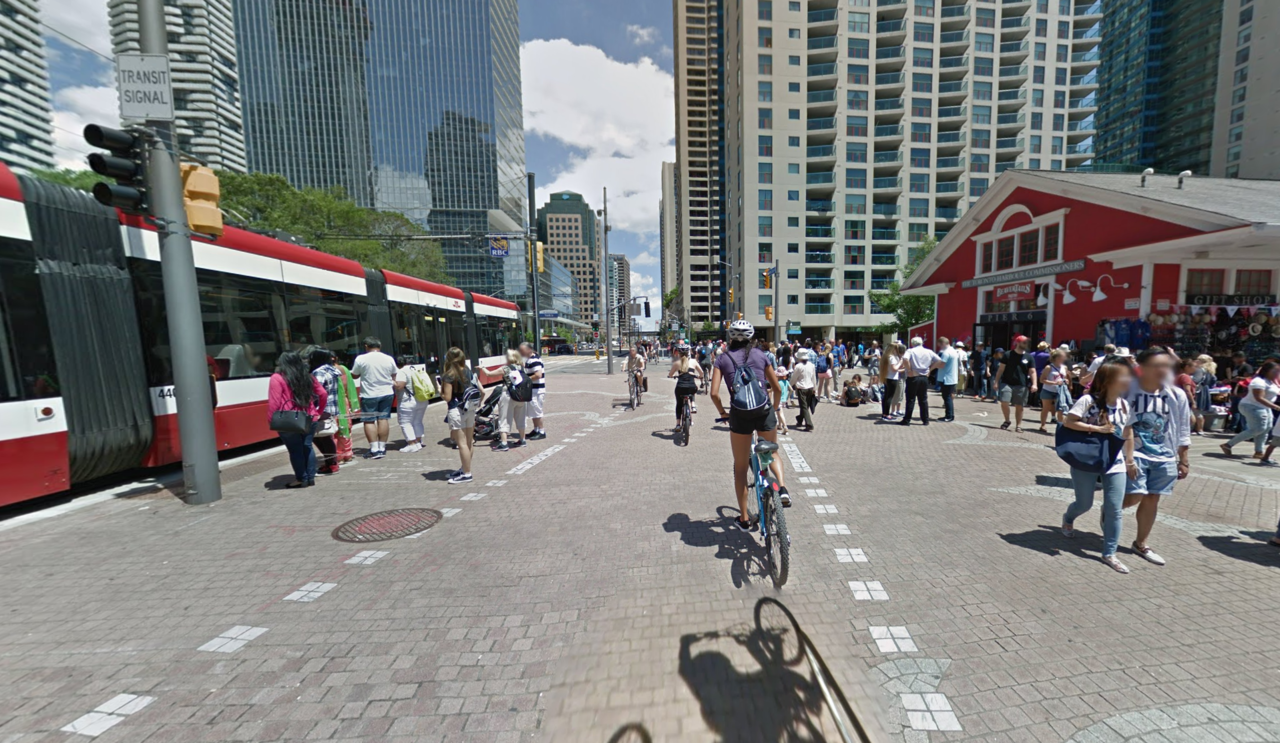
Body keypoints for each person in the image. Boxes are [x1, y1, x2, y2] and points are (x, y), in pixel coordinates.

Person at [709, 320, 790, 531]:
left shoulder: (722, 358)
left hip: (740, 415)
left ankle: (744, 519)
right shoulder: (760, 355)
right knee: (772, 453)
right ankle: (782, 488)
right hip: (764, 411)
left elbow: (714, 393)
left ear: (730, 337)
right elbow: (777, 388)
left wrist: (723, 413)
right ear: (751, 337)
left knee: (740, 467)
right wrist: (774, 408)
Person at [1060, 360, 1136, 574]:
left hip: (1115, 463)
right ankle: (1068, 518)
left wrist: (1130, 459)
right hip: (1087, 460)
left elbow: (1128, 432)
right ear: (1108, 380)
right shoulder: (1087, 400)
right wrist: (1096, 429)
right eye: (1123, 376)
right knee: (1084, 504)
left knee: (1114, 509)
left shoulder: (1124, 404)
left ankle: (1109, 553)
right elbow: (1068, 422)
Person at [1123, 347, 1192, 566]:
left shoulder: (1176, 394)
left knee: (1153, 497)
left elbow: (1183, 427)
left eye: (1166, 366)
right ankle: (1111, 509)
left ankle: (1141, 543)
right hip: (1134, 453)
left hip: (1165, 455)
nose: (1163, 370)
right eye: (1157, 366)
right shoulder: (1127, 390)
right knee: (1134, 495)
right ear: (1142, 367)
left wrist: (1183, 459)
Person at [267, 351, 327, 489]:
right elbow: (323, 394)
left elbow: (274, 402)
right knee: (307, 446)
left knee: (295, 450)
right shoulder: (308, 377)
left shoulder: (277, 378)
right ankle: (310, 478)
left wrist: (272, 420)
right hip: (309, 417)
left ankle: (301, 479)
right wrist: (318, 412)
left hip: (289, 420)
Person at [350, 337, 399, 459]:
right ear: (379, 346)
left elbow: (355, 375)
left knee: (369, 420)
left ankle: (374, 449)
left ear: (366, 346)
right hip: (387, 392)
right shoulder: (388, 358)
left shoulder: (361, 359)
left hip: (369, 394)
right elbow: (394, 373)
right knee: (383, 419)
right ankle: (382, 448)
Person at [1220, 361, 1280, 459]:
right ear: (1268, 370)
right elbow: (1259, 398)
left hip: (1264, 407)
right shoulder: (1258, 381)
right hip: (1252, 406)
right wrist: (1276, 407)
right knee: (1258, 429)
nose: (1278, 373)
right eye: (1275, 371)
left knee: (1266, 428)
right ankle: (1228, 445)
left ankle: (1259, 452)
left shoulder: (1272, 381)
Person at [440, 347, 477, 484]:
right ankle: (464, 468)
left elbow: (448, 397)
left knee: (461, 444)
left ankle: (467, 474)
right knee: (469, 442)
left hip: (456, 410)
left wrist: (440, 392)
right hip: (470, 408)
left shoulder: (448, 375)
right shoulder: (468, 371)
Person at [307, 348, 342, 475]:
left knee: (320, 436)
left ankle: (331, 464)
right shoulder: (332, 370)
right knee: (325, 436)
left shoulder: (319, 372)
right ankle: (331, 463)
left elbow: (317, 392)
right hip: (331, 407)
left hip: (320, 408)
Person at [995, 335, 1038, 432]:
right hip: (1007, 383)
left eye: (1027, 343)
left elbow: (1032, 371)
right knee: (1004, 401)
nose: (1026, 344)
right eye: (1024, 342)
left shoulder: (1029, 357)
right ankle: (1007, 420)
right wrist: (996, 382)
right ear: (1018, 343)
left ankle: (1018, 425)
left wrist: (1034, 384)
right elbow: (1001, 369)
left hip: (1021, 384)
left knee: (1019, 406)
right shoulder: (1008, 354)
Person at [900, 337, 943, 426]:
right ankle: (925, 420)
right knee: (923, 399)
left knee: (910, 399)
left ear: (912, 343)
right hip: (924, 377)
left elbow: (905, 359)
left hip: (913, 376)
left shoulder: (910, 351)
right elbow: (939, 360)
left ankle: (907, 420)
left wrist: (909, 370)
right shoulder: (928, 351)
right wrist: (930, 369)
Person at [391, 355, 428, 453]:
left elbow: (400, 386)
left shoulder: (402, 371)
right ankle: (418, 442)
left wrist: (391, 381)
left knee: (405, 422)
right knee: (417, 421)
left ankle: (412, 444)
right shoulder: (416, 369)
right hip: (422, 399)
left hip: (407, 401)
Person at [493, 349, 529, 452]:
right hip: (521, 396)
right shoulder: (523, 367)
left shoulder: (506, 368)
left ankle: (504, 443)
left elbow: (490, 374)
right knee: (521, 418)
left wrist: (483, 369)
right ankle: (522, 440)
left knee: (504, 418)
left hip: (508, 395)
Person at [330, 351, 360, 466]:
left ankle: (338, 456)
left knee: (334, 431)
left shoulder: (326, 372)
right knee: (345, 428)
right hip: (344, 402)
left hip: (332, 403)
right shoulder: (344, 369)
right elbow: (349, 387)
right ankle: (347, 454)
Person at [668, 344, 704, 431]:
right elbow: (702, 373)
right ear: (688, 352)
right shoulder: (694, 361)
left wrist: (673, 376)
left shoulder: (676, 363)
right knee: (692, 390)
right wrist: (699, 376)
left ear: (678, 353)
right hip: (691, 386)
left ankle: (678, 424)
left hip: (680, 387)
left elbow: (670, 374)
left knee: (679, 404)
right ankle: (693, 404)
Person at [516, 342, 547, 440]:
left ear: (529, 350)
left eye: (522, 350)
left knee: (537, 411)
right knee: (533, 411)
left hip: (537, 390)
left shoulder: (534, 360)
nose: (521, 352)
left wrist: (525, 380)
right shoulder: (530, 359)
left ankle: (541, 431)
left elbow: (538, 375)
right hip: (533, 390)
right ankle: (536, 429)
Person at [1037, 349, 1071, 433]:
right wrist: (1054, 383)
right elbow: (1042, 380)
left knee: (1060, 409)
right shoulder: (1049, 367)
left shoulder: (1064, 367)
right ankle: (1043, 425)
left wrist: (1066, 381)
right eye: (1063, 357)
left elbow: (1065, 378)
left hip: (1060, 391)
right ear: (1057, 358)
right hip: (1048, 390)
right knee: (1046, 408)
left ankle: (1060, 428)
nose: (1064, 358)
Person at [790, 348, 817, 431]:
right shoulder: (811, 365)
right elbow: (814, 377)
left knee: (804, 407)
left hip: (801, 388)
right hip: (810, 387)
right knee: (805, 406)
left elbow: (794, 378)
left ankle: (809, 424)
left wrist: (789, 385)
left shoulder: (798, 366)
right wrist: (814, 388)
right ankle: (800, 419)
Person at [1191, 354, 1217, 435]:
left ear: (1201, 361)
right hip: (1205, 390)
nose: (1196, 361)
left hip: (1199, 391)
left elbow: (1196, 380)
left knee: (1196, 410)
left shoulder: (1199, 370)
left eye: (1198, 359)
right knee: (1199, 411)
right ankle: (1200, 429)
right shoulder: (1210, 370)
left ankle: (1198, 429)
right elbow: (1214, 381)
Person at [879, 342, 904, 421]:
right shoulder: (892, 357)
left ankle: (884, 413)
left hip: (887, 377)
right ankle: (886, 414)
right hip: (892, 379)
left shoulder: (886, 356)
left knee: (886, 396)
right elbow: (894, 369)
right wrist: (900, 362)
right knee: (889, 397)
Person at [936, 337, 960, 423]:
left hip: (946, 378)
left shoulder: (946, 353)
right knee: (948, 397)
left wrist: (933, 366)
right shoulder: (953, 351)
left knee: (946, 397)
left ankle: (949, 416)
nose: (939, 347)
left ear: (942, 343)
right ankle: (950, 415)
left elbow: (942, 365)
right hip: (951, 378)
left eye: (939, 345)